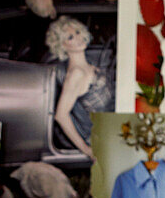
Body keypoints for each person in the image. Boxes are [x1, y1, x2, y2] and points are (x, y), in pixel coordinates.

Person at [45, 16, 114, 158]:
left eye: (77, 32)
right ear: (62, 45)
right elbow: (61, 115)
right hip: (103, 139)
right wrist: (87, 150)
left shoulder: (87, 65)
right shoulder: (76, 74)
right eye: (70, 37)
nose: (78, 37)